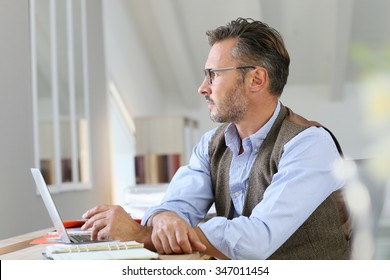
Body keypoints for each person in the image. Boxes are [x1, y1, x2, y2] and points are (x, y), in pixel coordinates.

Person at [81, 17, 351, 260]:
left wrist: (141, 234)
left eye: (214, 75)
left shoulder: (310, 145)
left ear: (256, 79)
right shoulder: (211, 145)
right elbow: (177, 205)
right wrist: (164, 218)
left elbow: (256, 240)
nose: (203, 88)